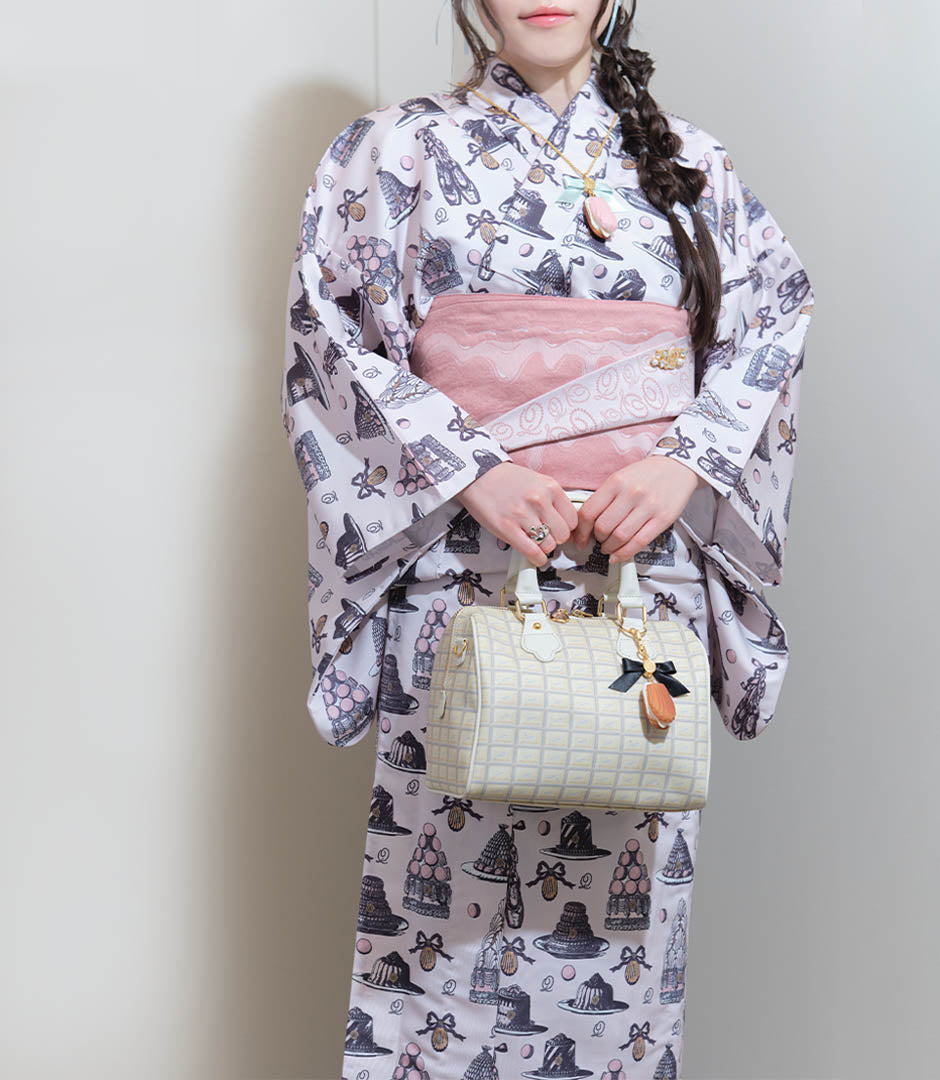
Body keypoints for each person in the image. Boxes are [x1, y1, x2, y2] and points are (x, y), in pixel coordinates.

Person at [280, 2, 813, 1076]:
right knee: (438, 934)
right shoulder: (394, 150)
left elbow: (774, 325)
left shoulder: (693, 166)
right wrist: (473, 467)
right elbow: (328, 340)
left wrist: (684, 462)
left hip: (639, 579)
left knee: (628, 942)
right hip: (460, 577)